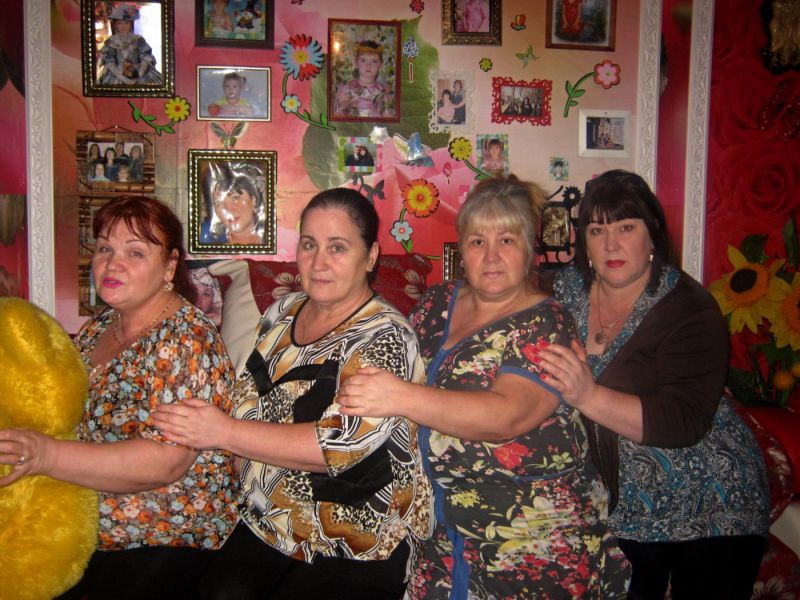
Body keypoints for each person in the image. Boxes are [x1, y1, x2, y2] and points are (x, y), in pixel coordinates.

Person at [337, 175, 631, 599]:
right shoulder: (437, 303)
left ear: (529, 249)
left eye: (506, 241)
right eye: (478, 242)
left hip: (532, 541)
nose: (491, 256)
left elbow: (507, 415)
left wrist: (399, 396)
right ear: (462, 250)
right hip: (442, 533)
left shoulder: (547, 322)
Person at [152, 188, 433, 599]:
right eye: (309, 245)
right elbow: (249, 399)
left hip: (354, 540)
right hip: (271, 520)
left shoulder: (386, 338)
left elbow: (337, 446)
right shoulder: (281, 313)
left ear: (370, 256)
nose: (319, 262)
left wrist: (222, 432)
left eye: (337, 247)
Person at [538, 170, 770, 600]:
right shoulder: (564, 291)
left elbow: (682, 421)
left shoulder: (689, 309)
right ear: (583, 241)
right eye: (597, 230)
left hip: (711, 502)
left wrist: (587, 396)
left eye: (626, 228)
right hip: (618, 507)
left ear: (653, 234)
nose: (611, 245)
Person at [0, 196, 239, 599]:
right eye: (104, 249)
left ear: (169, 266)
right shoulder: (100, 328)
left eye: (135, 252)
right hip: (84, 518)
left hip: (166, 533)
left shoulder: (186, 340)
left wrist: (46, 455)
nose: (112, 264)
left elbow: (165, 461)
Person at [97, 3, 162, 86]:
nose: (123, 26)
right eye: (119, 23)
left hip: (139, 72)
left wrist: (139, 75)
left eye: (126, 23)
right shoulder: (111, 41)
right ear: (115, 25)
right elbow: (110, 63)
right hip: (117, 74)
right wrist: (124, 79)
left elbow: (146, 58)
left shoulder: (138, 39)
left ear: (131, 24)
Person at [332, 40, 390, 118]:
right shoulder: (347, 89)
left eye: (374, 61)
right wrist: (344, 106)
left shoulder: (383, 91)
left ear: (380, 64)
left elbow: (388, 116)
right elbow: (336, 115)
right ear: (356, 62)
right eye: (363, 60)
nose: (368, 66)